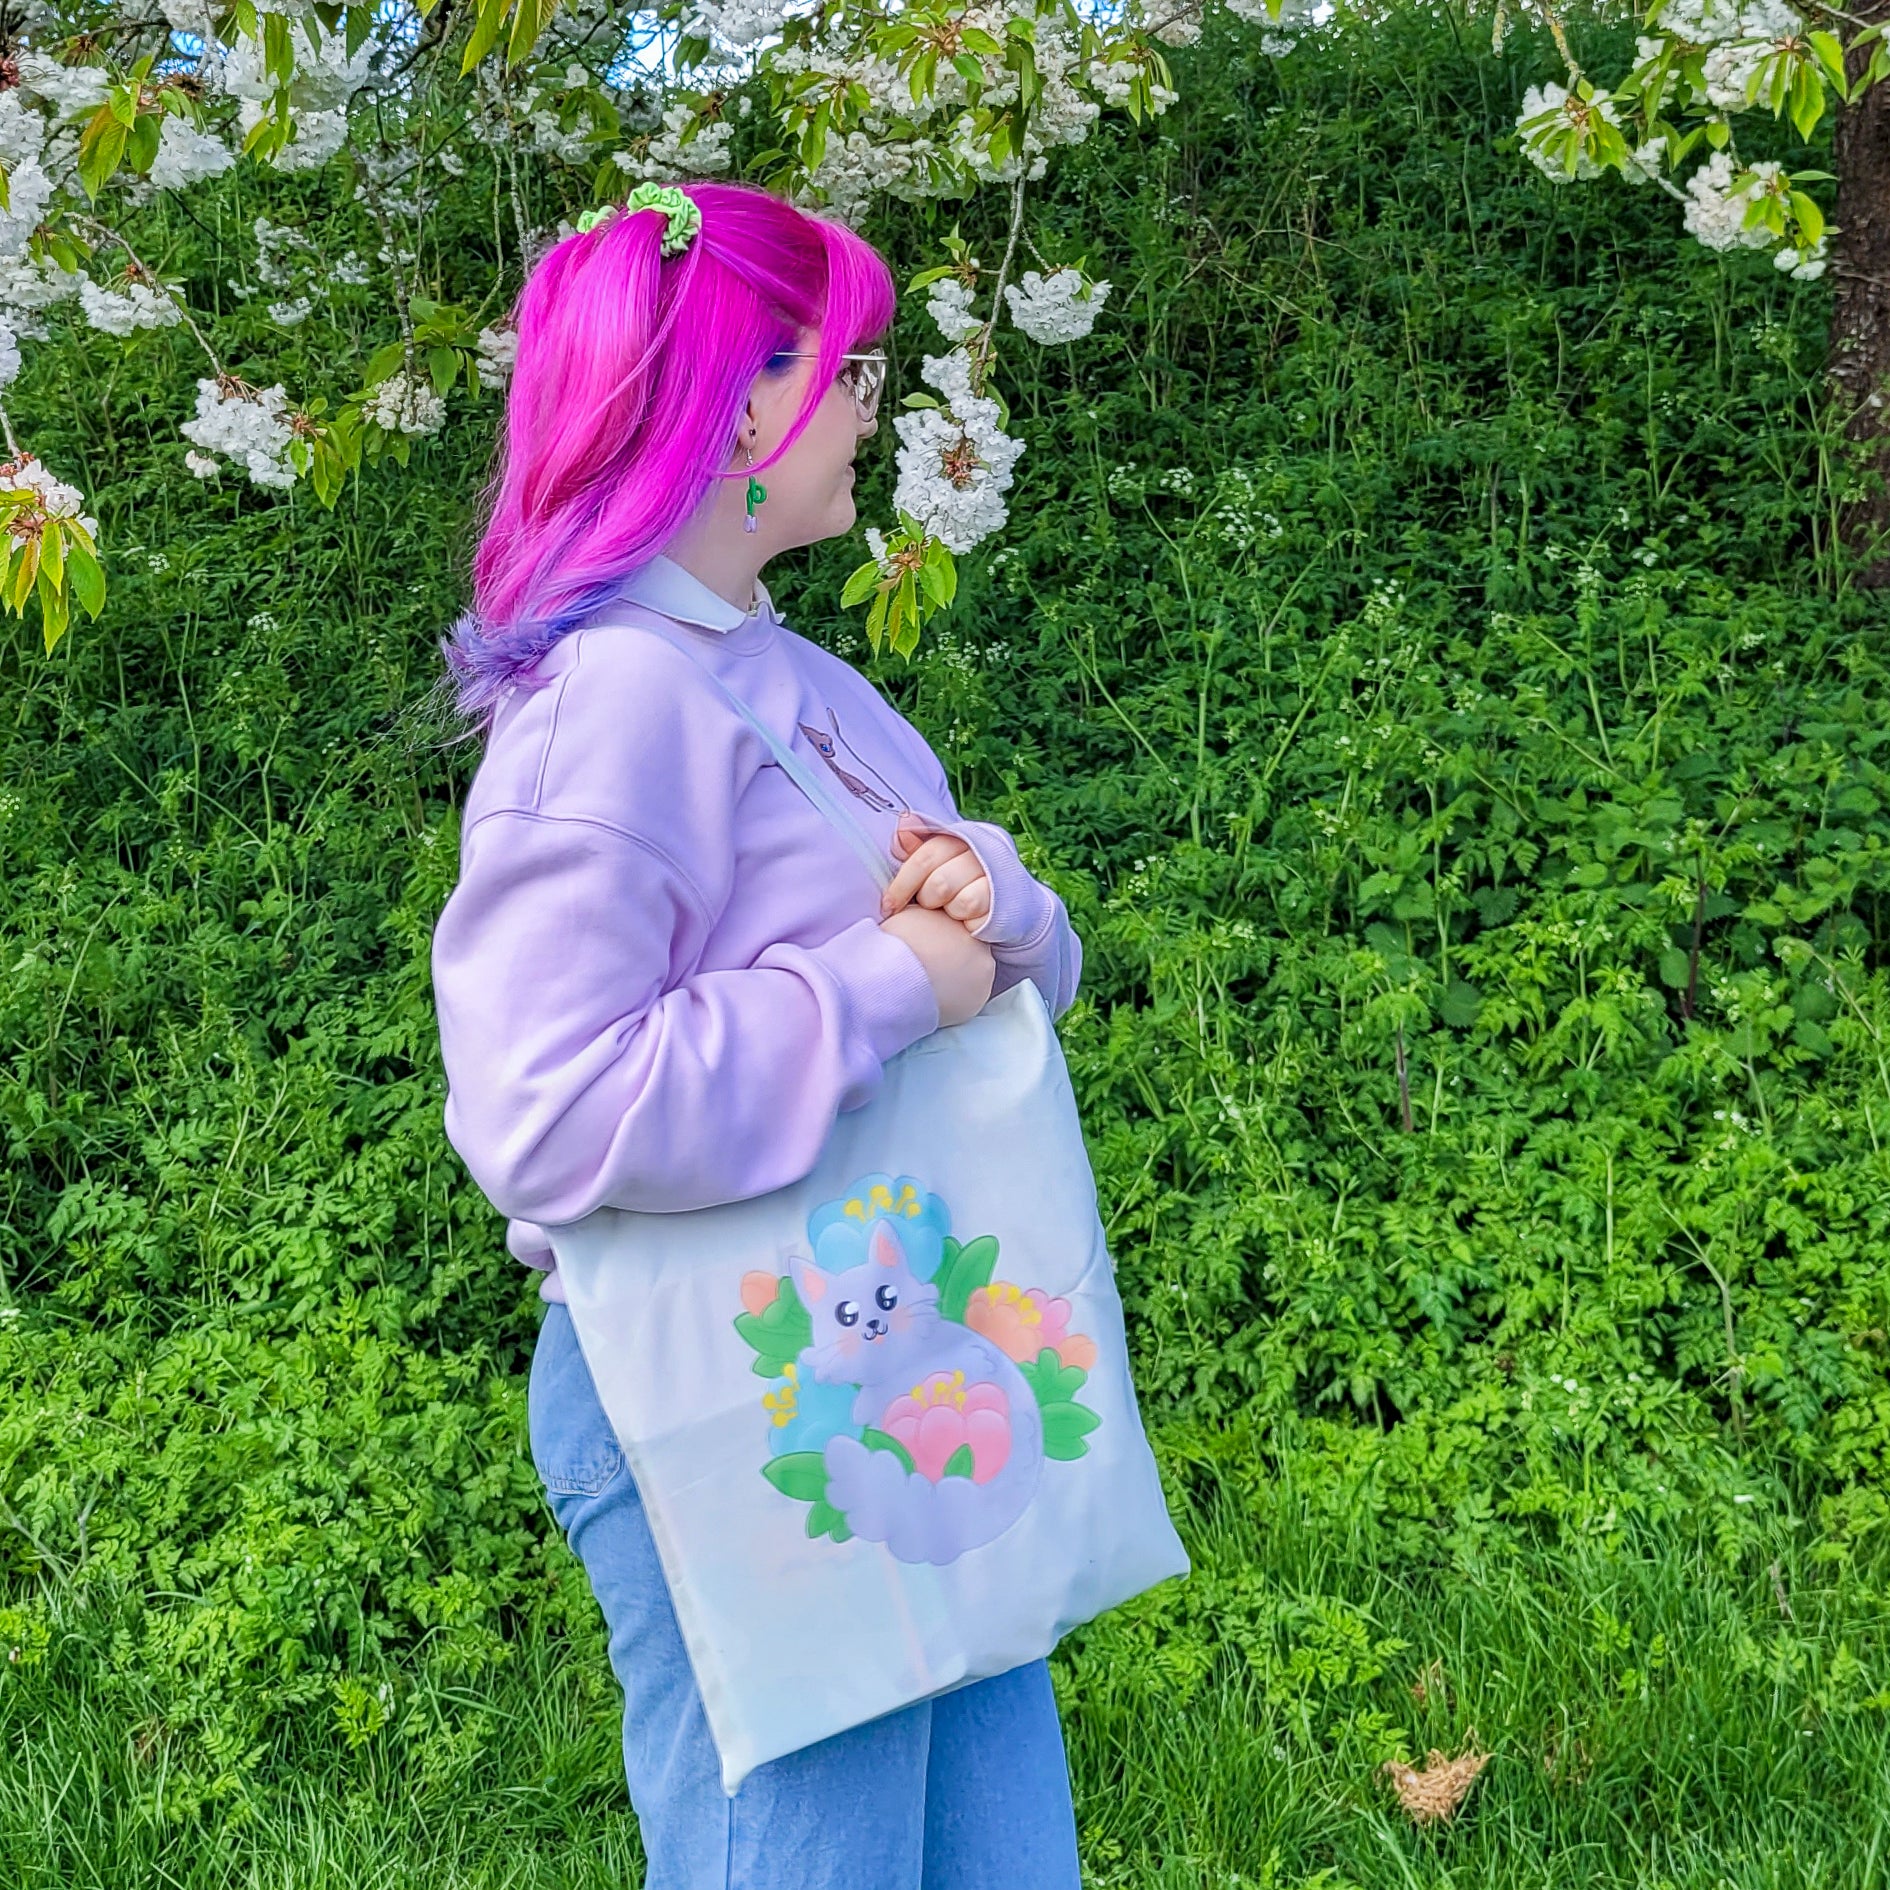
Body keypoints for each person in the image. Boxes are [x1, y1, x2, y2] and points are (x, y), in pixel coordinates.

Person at [430, 180, 1086, 1889]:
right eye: (844, 364)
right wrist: (888, 983)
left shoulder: (788, 679)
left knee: (998, 1857)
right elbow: (546, 1107)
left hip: (894, 1351)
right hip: (729, 1389)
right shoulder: (616, 703)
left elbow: (1004, 973)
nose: (870, 400)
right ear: (728, 404)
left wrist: (999, 904)